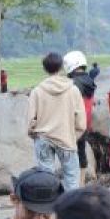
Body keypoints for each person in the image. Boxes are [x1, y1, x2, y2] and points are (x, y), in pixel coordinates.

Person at [27, 52, 87, 192]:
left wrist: (34, 134)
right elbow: (81, 123)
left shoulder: (37, 91)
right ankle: (71, 211)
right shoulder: (73, 90)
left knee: (46, 180)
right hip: (66, 138)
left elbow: (31, 120)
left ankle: (47, 211)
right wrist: (74, 136)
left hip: (43, 139)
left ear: (44, 69)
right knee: (72, 179)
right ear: (61, 68)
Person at [63, 50, 98, 185]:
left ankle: (73, 184)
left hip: (73, 122)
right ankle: (81, 183)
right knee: (81, 151)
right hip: (85, 121)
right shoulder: (89, 80)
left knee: (70, 153)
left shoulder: (74, 83)